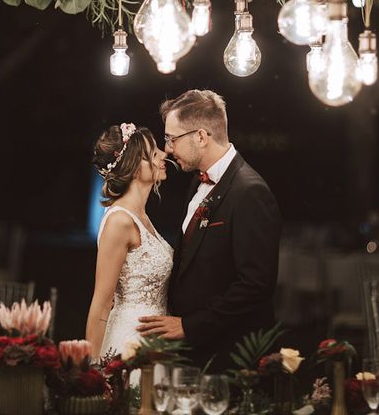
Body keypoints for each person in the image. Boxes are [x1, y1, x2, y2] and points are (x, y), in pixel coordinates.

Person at [137, 89, 282, 371]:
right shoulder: (198, 184)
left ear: (201, 137)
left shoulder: (250, 192)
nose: (167, 149)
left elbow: (255, 285)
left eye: (172, 139)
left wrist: (191, 326)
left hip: (231, 357)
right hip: (196, 354)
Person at [86, 122, 173, 360]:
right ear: (135, 167)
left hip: (154, 341)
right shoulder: (119, 222)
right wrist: (91, 371)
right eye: (153, 154)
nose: (164, 155)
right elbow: (102, 303)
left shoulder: (142, 217)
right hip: (129, 344)